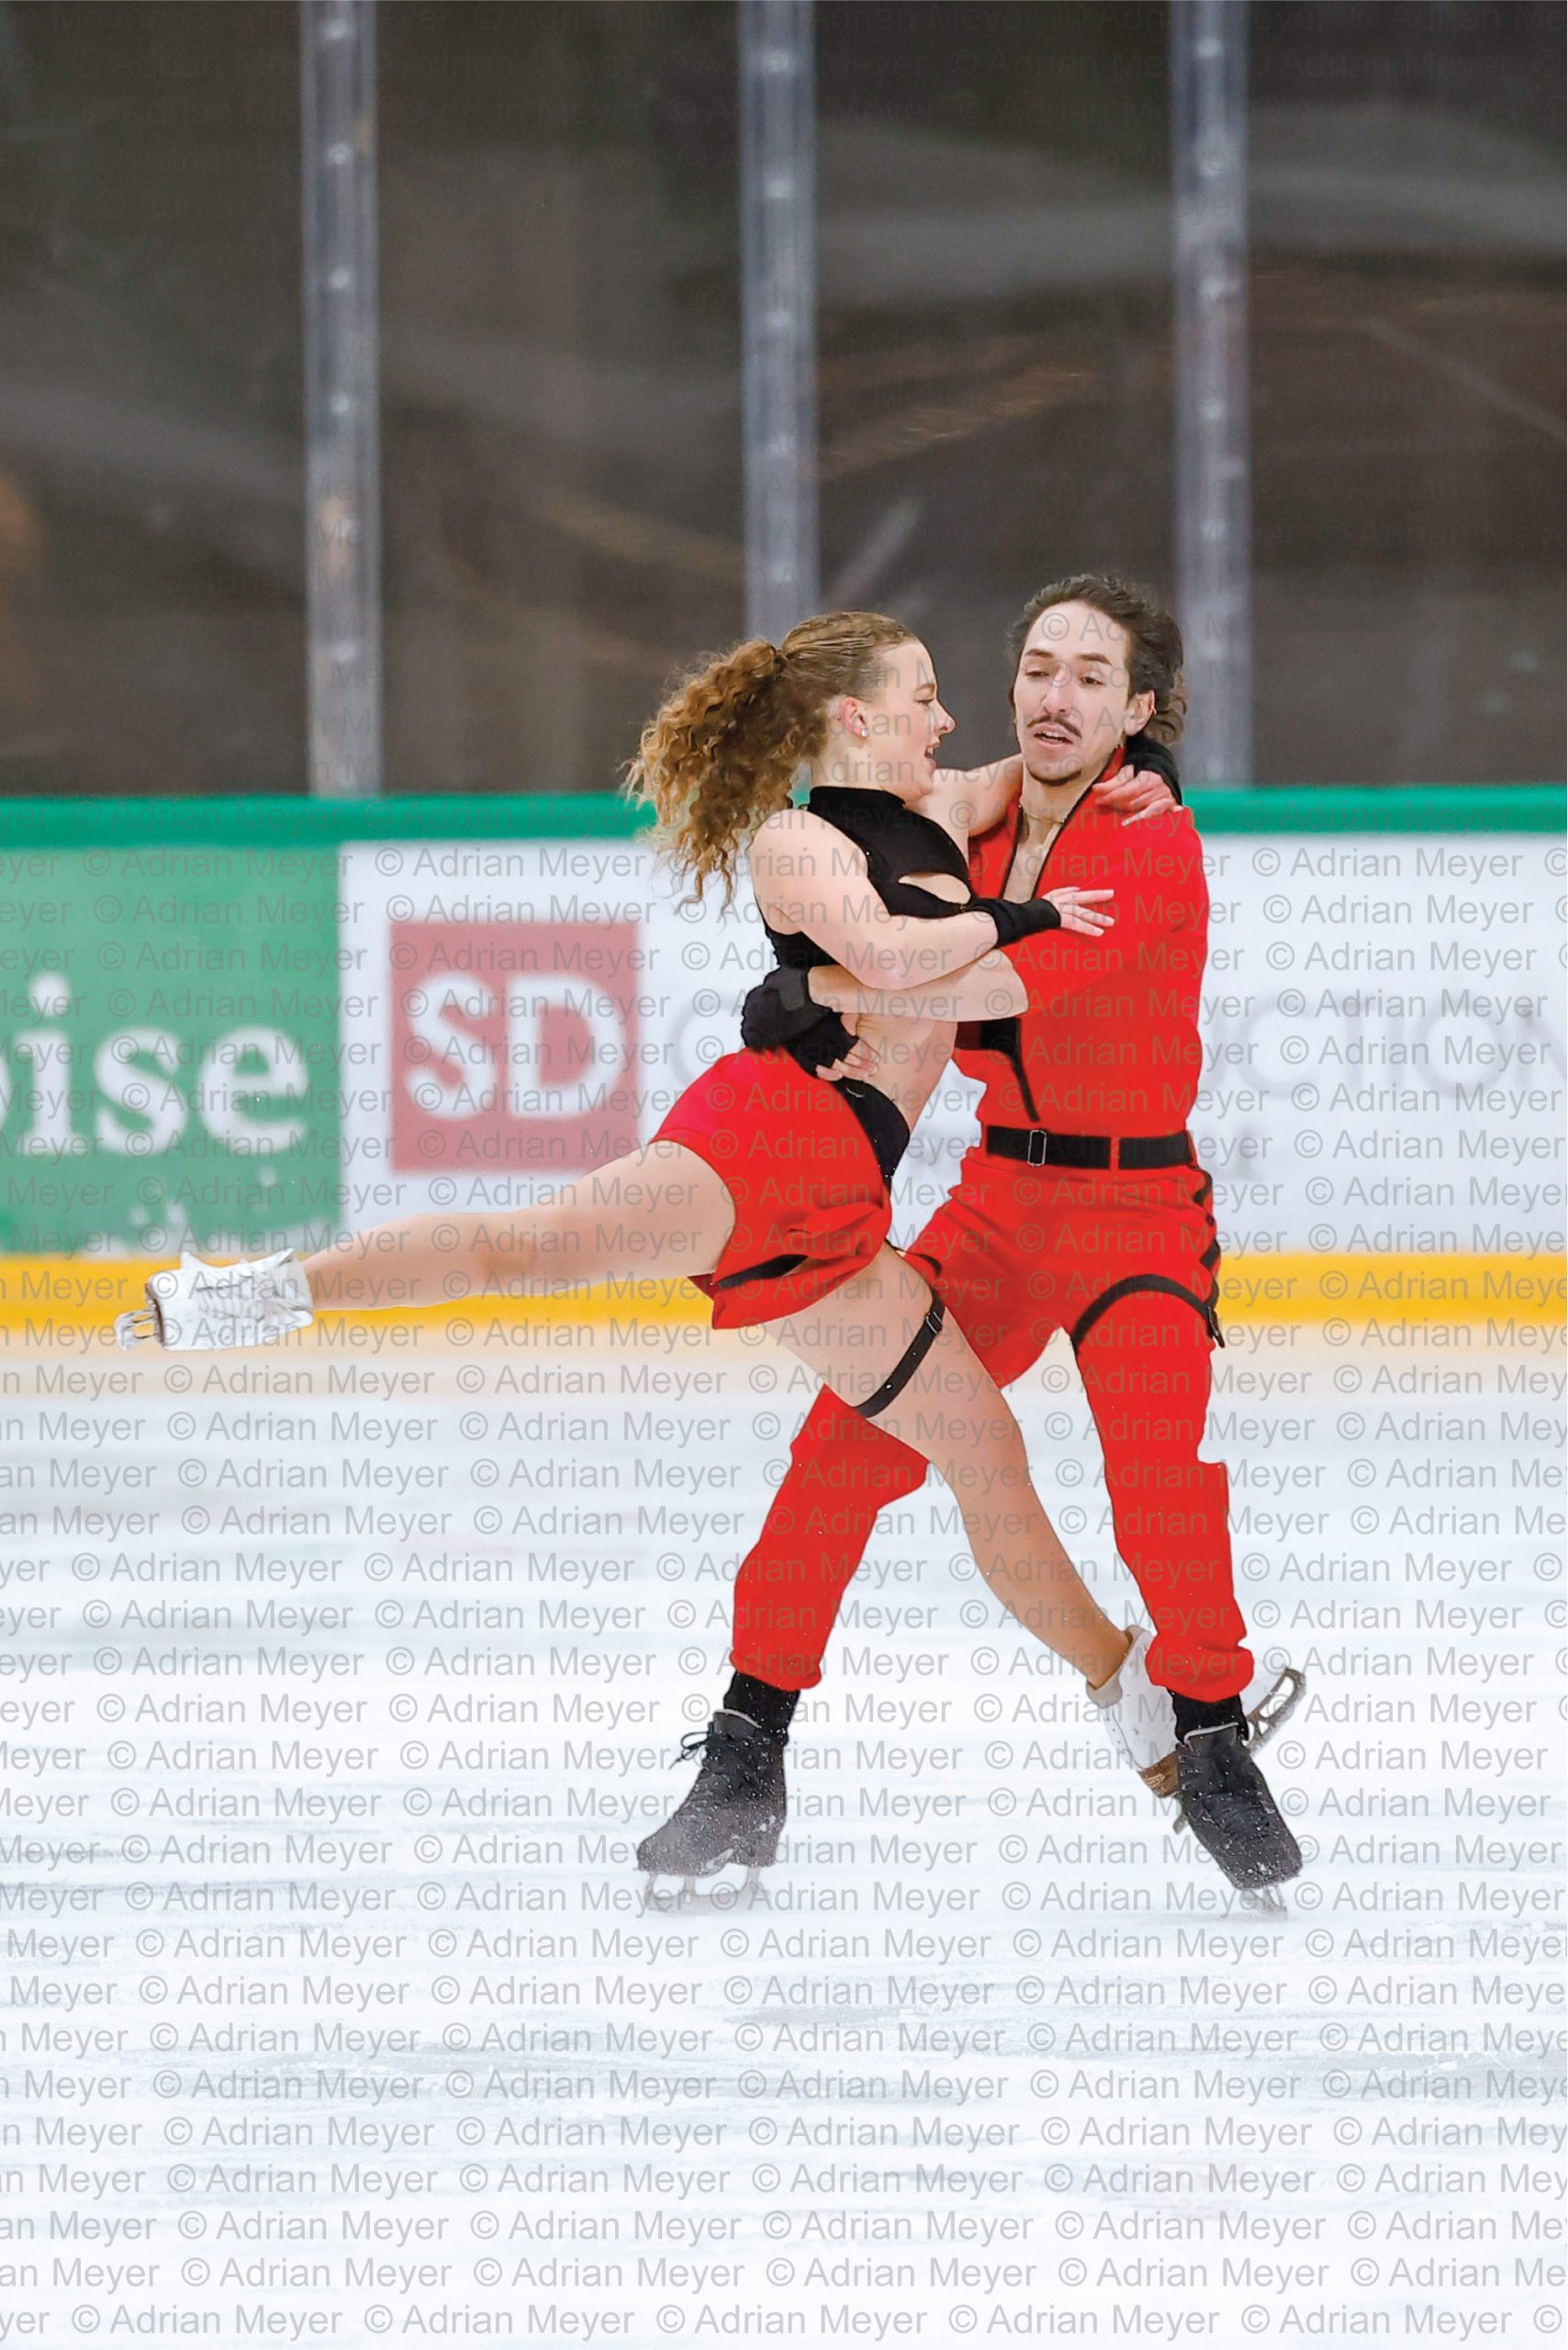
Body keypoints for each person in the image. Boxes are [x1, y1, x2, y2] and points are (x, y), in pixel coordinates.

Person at [115, 609, 1185, 1891]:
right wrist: (1024, 926)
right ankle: (258, 1298)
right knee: (530, 1248)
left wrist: (1148, 768)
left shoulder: (949, 808)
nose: (949, 718)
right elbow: (902, 955)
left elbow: (1067, 765)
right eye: (921, 695)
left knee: (984, 1453)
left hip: (844, 1209)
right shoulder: (798, 841)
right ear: (852, 717)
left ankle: (1131, 1694)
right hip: (775, 1138)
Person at [663, 576, 1304, 1895]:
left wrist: (808, 985)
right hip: (1002, 1205)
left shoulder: (1153, 844)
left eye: (1089, 676)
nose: (1052, 694)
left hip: (1136, 1213)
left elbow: (1006, 975)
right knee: (841, 1454)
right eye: (1036, 666)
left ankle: (1212, 1734)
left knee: (1156, 1476)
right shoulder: (990, 801)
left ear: (1139, 707)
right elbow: (871, 844)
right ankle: (744, 1755)